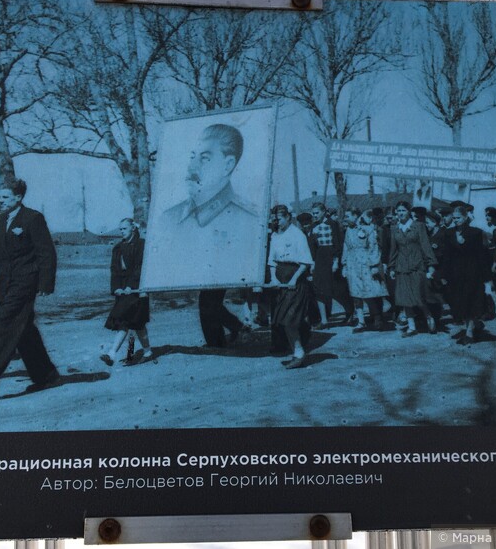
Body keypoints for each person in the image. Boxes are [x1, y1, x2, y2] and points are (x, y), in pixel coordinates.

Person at [0, 179, 60, 404]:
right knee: (24, 330)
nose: (1, 200)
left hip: (25, 283)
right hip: (5, 285)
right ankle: (46, 375)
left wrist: (45, 284)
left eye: (6, 197)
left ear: (18, 198)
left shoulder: (33, 218)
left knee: (2, 328)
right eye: (0, 197)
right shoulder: (1, 221)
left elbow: (46, 252)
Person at [150, 123, 261, 288]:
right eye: (192, 156)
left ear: (228, 165)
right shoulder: (169, 218)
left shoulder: (250, 220)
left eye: (204, 158)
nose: (191, 166)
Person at [101, 218, 153, 366]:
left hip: (138, 288)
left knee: (126, 320)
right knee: (137, 323)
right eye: (121, 229)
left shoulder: (142, 245)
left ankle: (112, 353)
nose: (122, 231)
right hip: (123, 290)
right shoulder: (117, 248)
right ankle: (147, 351)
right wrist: (116, 287)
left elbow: (140, 267)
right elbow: (114, 270)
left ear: (133, 228)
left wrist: (131, 285)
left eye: (124, 228)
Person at [268, 205, 314, 369]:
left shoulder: (297, 235)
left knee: (290, 320)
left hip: (295, 279)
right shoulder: (275, 235)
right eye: (275, 219)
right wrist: (273, 278)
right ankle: (298, 352)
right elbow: (272, 261)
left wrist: (294, 280)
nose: (277, 222)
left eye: (279, 219)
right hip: (280, 280)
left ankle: (299, 353)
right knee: (284, 320)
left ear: (288, 217)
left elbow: (305, 263)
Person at [442, 205, 493, 344]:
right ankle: (474, 324)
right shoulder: (448, 233)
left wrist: (487, 277)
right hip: (455, 275)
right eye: (454, 218)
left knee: (470, 302)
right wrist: (444, 274)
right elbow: (446, 255)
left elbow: (482, 255)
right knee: (459, 303)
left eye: (458, 218)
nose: (455, 220)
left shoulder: (475, 233)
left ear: (465, 218)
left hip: (472, 273)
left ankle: (469, 332)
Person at [388, 200, 437, 337]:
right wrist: (391, 266)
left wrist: (431, 265)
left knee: (418, 295)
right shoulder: (395, 228)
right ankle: (411, 327)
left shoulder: (419, 226)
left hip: (417, 265)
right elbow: (393, 249)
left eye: (403, 210)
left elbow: (425, 245)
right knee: (404, 297)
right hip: (401, 266)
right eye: (398, 211)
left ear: (409, 212)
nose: (400, 213)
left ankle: (429, 317)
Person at [341, 209, 388, 331]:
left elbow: (373, 247)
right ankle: (361, 321)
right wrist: (344, 265)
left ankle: (377, 317)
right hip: (352, 264)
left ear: (355, 215)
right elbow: (345, 248)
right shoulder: (348, 231)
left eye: (347, 216)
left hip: (366, 263)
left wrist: (373, 265)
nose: (345, 218)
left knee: (370, 290)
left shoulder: (368, 229)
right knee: (356, 293)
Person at [308, 202, 353, 326]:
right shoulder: (313, 227)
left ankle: (350, 311)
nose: (315, 215)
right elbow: (311, 246)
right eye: (313, 213)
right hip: (319, 260)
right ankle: (324, 320)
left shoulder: (332, 224)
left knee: (337, 289)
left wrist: (336, 262)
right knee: (319, 290)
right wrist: (312, 263)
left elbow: (338, 244)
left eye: (317, 213)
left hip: (331, 260)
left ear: (324, 212)